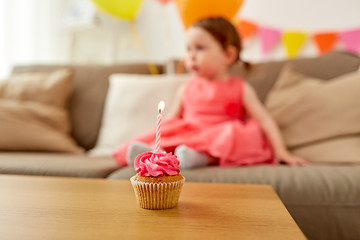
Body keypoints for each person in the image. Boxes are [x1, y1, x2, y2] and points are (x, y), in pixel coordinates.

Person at [113, 17, 308, 168]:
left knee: (244, 132)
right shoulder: (186, 87)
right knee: (171, 135)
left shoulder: (240, 87)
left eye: (199, 48)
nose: (191, 56)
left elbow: (264, 120)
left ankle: (201, 158)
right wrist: (158, 137)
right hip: (191, 134)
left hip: (221, 135)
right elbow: (171, 120)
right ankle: (155, 154)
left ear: (228, 55)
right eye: (188, 49)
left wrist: (281, 151)